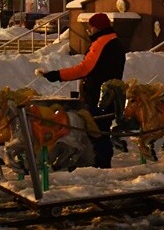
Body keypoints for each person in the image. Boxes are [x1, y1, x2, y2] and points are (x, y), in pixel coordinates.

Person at [40, 12, 125, 168]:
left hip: (99, 96)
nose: (89, 30)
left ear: (97, 28)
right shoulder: (114, 42)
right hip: (107, 94)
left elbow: (85, 68)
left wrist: (57, 75)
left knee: (98, 130)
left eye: (91, 27)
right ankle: (101, 162)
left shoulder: (102, 43)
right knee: (101, 129)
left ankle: (101, 164)